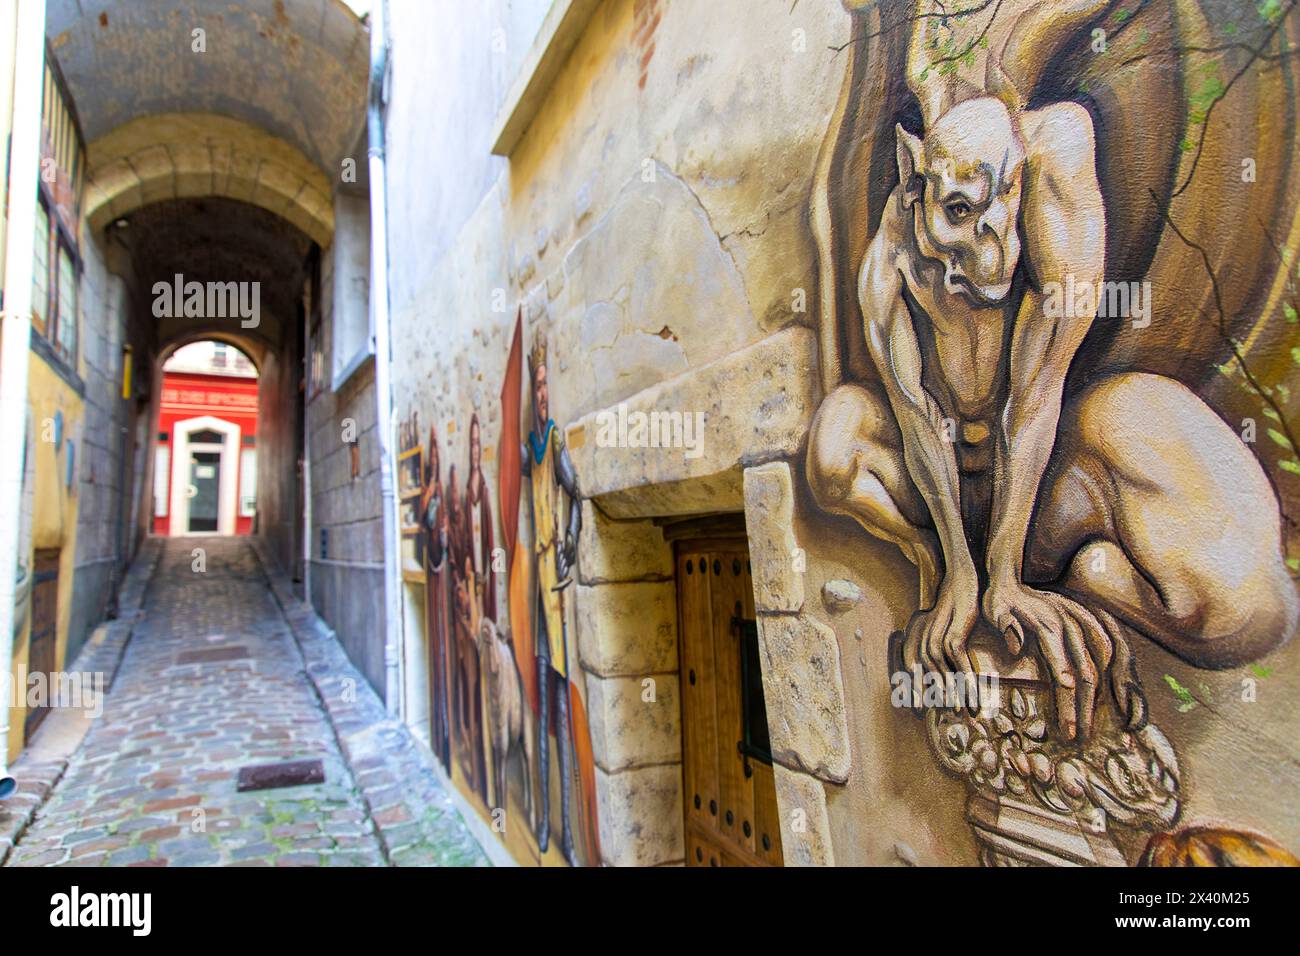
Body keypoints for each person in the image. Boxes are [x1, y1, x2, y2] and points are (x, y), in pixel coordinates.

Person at [522, 330, 582, 865]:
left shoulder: (555, 443)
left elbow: (577, 494)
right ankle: (541, 819)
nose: (543, 394)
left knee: (561, 708)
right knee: (540, 708)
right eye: (536, 386)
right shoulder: (530, 447)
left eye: (546, 385)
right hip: (535, 596)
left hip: (556, 592)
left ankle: (564, 827)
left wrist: (570, 539)